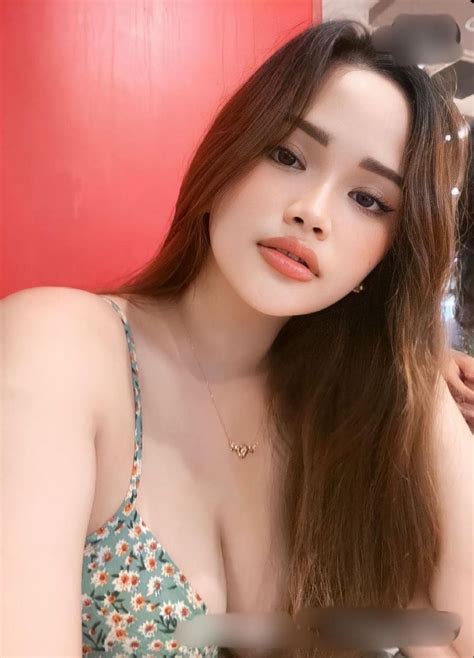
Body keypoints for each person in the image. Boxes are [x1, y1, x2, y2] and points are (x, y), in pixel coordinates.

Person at [2, 19, 473, 658]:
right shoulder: (61, 349)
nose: (312, 211)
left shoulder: (364, 415)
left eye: (368, 200)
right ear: (228, 155)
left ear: (390, 254)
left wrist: (414, 370)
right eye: (288, 156)